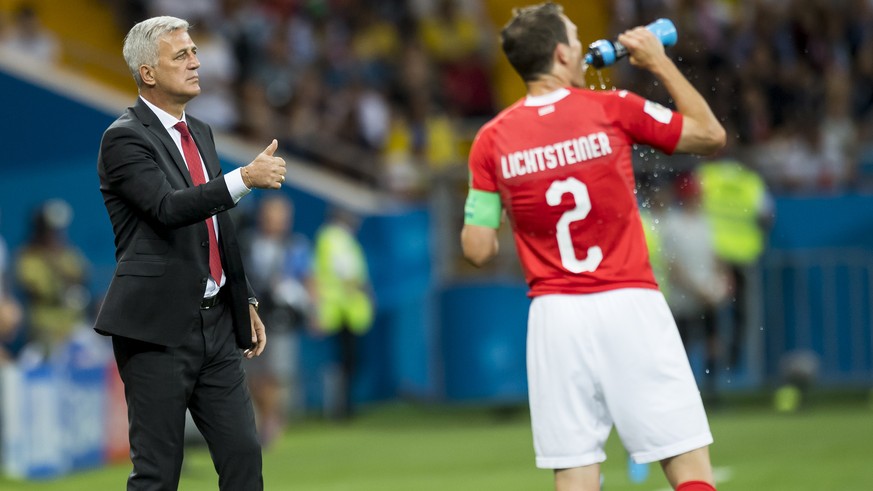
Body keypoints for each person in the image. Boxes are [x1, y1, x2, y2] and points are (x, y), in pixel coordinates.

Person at [460, 4, 726, 491]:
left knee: (576, 474)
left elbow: (477, 249)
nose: (584, 45)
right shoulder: (612, 107)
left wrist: (511, 201)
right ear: (562, 54)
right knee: (687, 467)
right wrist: (657, 61)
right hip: (629, 302)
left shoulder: (490, 141)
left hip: (555, 318)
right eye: (577, 37)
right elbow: (710, 135)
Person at [94, 16, 287, 490]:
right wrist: (244, 178)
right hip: (157, 331)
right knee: (158, 474)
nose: (196, 62)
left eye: (195, 51)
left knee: (244, 456)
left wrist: (244, 297)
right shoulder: (123, 138)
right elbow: (168, 208)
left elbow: (218, 224)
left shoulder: (199, 130)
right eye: (180, 55)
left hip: (217, 326)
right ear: (148, 73)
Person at [241, 193, 315, 445]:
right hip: (252, 317)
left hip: (281, 319)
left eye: (282, 216)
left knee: (275, 373)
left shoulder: (296, 246)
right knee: (252, 375)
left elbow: (308, 279)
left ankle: (271, 422)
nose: (278, 221)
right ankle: (267, 415)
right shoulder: (249, 243)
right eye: (273, 215)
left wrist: (315, 311)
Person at [661, 172, 731, 403]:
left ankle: (712, 391)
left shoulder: (705, 223)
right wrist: (697, 289)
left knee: (712, 342)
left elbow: (715, 257)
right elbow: (673, 266)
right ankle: (684, 395)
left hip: (706, 294)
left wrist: (722, 281)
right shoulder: (673, 225)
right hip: (684, 297)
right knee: (682, 347)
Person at [313, 207, 373, 420]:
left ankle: (339, 407)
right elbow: (347, 272)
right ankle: (342, 408)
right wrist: (362, 289)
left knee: (343, 361)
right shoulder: (337, 238)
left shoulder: (329, 237)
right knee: (347, 362)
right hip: (343, 309)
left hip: (339, 309)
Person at [15, 199, 91, 359]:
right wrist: (54, 267)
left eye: (57, 230)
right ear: (40, 231)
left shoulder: (68, 252)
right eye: (50, 230)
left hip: (75, 326)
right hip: (45, 331)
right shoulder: (28, 257)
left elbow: (82, 275)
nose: (55, 234)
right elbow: (39, 289)